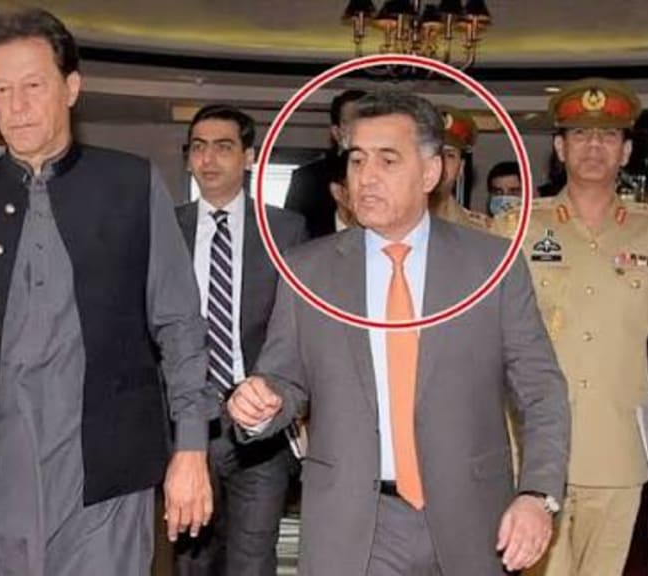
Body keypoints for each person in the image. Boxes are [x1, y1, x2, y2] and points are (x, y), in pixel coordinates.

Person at [0, 9, 220, 576]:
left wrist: (191, 446)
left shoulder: (131, 185)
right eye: (1, 90)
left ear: (71, 88)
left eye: (33, 86)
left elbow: (180, 325)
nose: (17, 106)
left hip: (103, 479)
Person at [227, 90, 570, 575]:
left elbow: (541, 391)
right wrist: (260, 404)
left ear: (430, 173)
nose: (366, 176)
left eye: (388, 160)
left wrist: (537, 493)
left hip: (470, 519)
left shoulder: (492, 266)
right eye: (357, 160)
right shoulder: (308, 270)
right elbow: (284, 379)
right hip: (353, 523)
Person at [497, 78, 648, 576]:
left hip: (618, 451)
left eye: (609, 135)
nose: (594, 145)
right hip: (533, 450)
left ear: (626, 151)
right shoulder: (519, 227)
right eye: (580, 134)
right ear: (559, 148)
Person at [173, 104, 307, 576]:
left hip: (258, 424)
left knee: (252, 559)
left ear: (249, 156)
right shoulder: (165, 227)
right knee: (193, 558)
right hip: (189, 422)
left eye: (223, 147)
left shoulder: (285, 230)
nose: (208, 159)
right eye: (198, 147)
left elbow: (295, 329)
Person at [284, 89, 366, 238]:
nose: (363, 128)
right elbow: (291, 236)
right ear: (336, 132)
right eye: (353, 122)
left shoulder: (393, 173)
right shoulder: (307, 179)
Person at [429, 105, 492, 231]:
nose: (440, 163)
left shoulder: (481, 230)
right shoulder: (388, 222)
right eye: (432, 153)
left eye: (450, 155)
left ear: (461, 167)